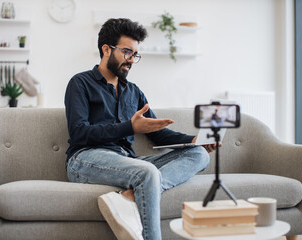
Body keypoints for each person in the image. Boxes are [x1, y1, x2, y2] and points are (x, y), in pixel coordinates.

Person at [64, 18, 219, 240]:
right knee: (147, 173)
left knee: (199, 155)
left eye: (135, 54)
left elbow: (158, 133)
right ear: (106, 49)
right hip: (86, 159)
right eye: (127, 52)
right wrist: (129, 126)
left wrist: (195, 140)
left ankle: (129, 197)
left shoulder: (133, 92)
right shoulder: (80, 83)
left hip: (128, 161)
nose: (131, 60)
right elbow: (79, 132)